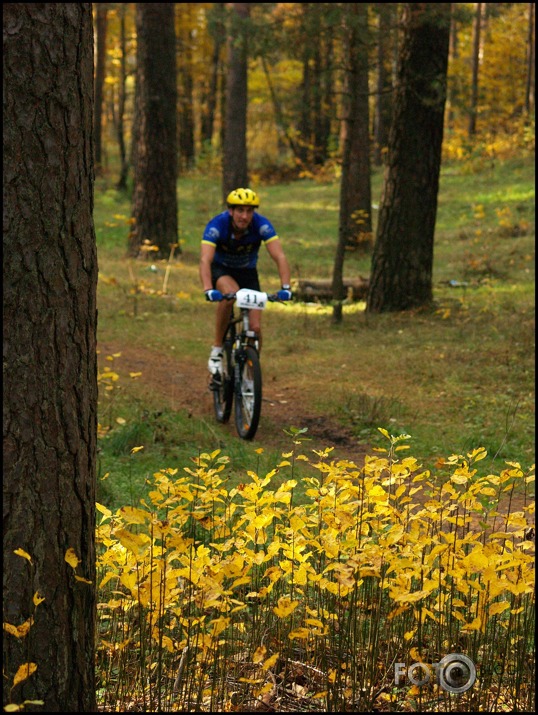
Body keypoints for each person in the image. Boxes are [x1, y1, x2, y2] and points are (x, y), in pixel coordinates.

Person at [200, 187, 292, 375]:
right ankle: (217, 350)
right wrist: (208, 289)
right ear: (231, 211)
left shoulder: (261, 225)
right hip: (221, 270)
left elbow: (279, 256)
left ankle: (250, 377)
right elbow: (205, 260)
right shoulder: (217, 225)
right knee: (230, 295)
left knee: (256, 328)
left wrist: (286, 287)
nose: (245, 216)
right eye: (240, 210)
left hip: (248, 273)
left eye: (249, 211)